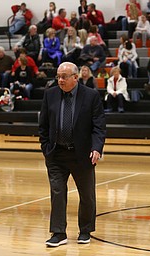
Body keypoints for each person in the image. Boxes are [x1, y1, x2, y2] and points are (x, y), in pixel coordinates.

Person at [38, 61, 106, 247]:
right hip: (56, 154)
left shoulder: (90, 96)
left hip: (82, 154)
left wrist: (96, 148)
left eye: (64, 77)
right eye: (58, 76)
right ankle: (58, 233)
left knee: (87, 194)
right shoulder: (50, 94)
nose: (60, 80)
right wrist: (46, 148)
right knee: (57, 192)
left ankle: (85, 230)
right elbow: (43, 125)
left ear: (75, 78)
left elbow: (99, 126)